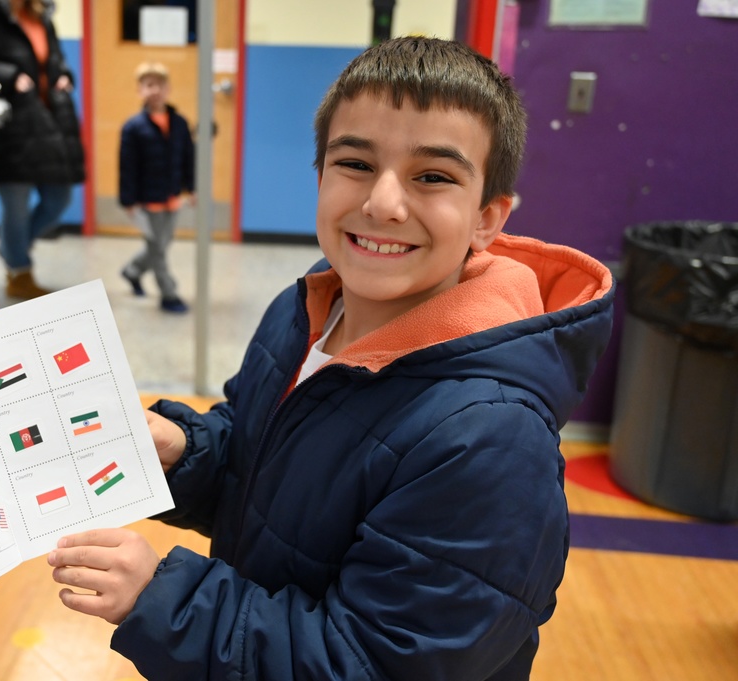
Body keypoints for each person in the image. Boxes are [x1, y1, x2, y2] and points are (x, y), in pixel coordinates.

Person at [48, 37, 615, 680]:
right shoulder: (314, 303)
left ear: (487, 217)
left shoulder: (490, 441)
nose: (383, 203)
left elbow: (369, 664)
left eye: (433, 176)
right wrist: (187, 448)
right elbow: (273, 465)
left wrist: (162, 598)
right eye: (355, 163)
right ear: (320, 176)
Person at [0, 0, 85, 299]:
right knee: (16, 206)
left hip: (48, 121)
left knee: (58, 198)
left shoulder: (42, 16)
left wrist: (64, 74)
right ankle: (19, 271)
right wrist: (10, 75)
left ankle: (12, 249)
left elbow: (55, 58)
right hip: (10, 126)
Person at [118, 62, 195, 313]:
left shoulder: (180, 123)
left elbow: (188, 158)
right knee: (157, 251)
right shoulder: (133, 127)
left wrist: (192, 188)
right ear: (140, 90)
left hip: (171, 198)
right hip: (146, 201)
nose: (154, 90)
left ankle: (132, 271)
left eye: (159, 85)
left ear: (168, 89)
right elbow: (127, 166)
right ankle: (168, 293)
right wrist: (128, 201)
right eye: (148, 85)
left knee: (162, 244)